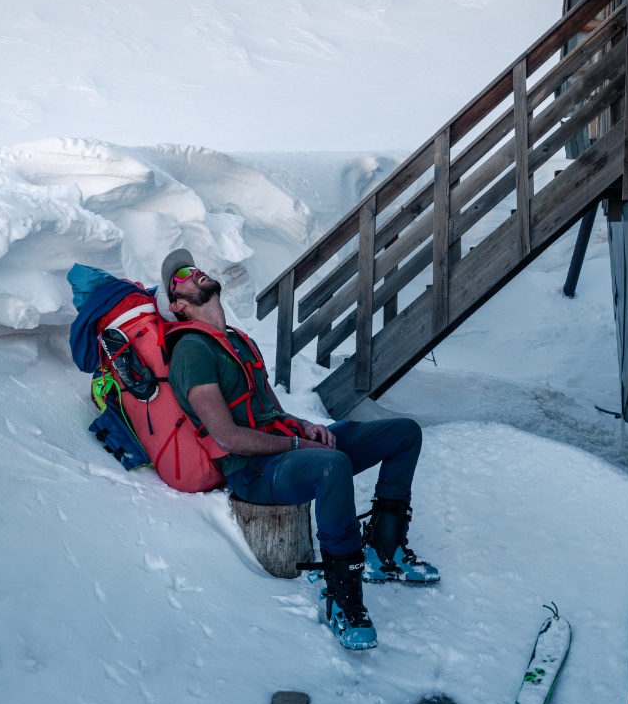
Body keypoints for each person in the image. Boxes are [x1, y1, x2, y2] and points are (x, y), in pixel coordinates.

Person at [160, 249, 439, 651]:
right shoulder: (191, 351)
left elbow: (271, 410)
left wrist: (304, 426)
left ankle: (386, 549)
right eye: (184, 274)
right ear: (178, 304)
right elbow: (228, 437)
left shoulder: (237, 342)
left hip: (287, 449)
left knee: (404, 432)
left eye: (196, 266)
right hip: (254, 471)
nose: (196, 271)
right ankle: (342, 597)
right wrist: (296, 443)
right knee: (331, 465)